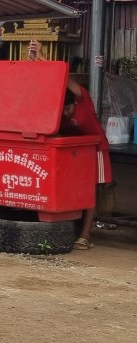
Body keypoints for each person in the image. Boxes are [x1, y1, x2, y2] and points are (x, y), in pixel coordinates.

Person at [28, 40, 111, 249]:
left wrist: (43, 58)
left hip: (96, 149)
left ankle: (85, 235)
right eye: (62, 110)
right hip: (73, 151)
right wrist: (34, 61)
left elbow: (63, 78)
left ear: (75, 102)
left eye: (68, 109)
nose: (66, 113)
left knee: (90, 189)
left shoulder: (83, 99)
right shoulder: (57, 112)